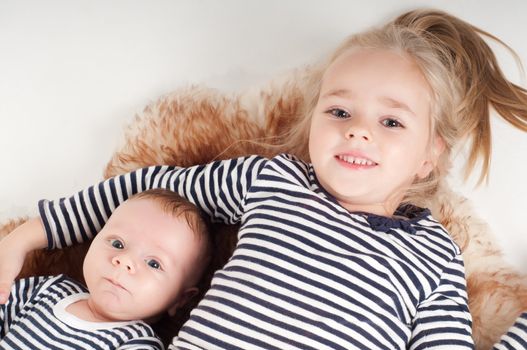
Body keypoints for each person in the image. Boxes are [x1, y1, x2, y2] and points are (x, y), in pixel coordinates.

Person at [0, 8, 527, 350]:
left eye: (391, 122)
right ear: (312, 119)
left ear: (429, 155)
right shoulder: (273, 180)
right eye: (340, 112)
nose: (359, 133)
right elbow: (145, 193)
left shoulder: (433, 253)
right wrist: (29, 236)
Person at [0, 189, 210, 350]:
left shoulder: (135, 342)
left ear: (180, 300)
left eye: (154, 263)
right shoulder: (48, 289)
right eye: (117, 244)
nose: (124, 260)